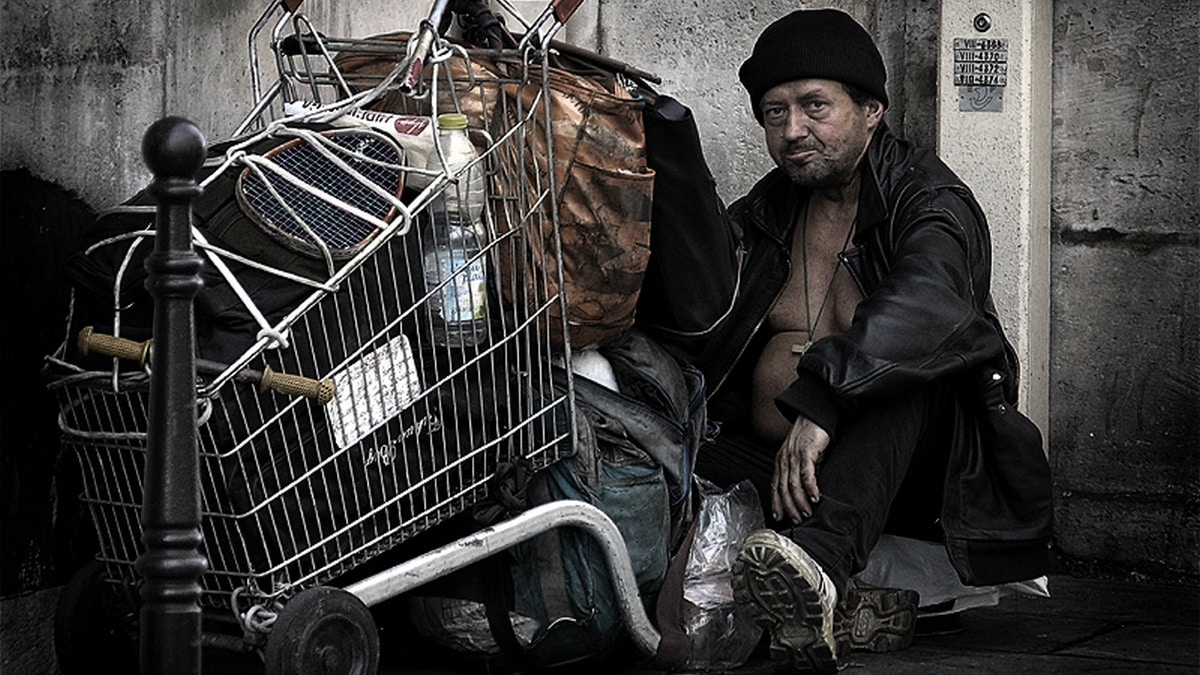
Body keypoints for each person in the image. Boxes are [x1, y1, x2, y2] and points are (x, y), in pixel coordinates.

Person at [670, 9, 1055, 674]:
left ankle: (816, 570)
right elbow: (693, 322)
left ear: (871, 109)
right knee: (665, 448)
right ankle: (793, 592)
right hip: (786, 476)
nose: (792, 131)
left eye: (815, 106)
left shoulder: (929, 199)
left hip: (913, 488)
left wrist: (821, 399)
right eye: (774, 113)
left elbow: (927, 306)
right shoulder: (761, 216)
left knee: (913, 373)